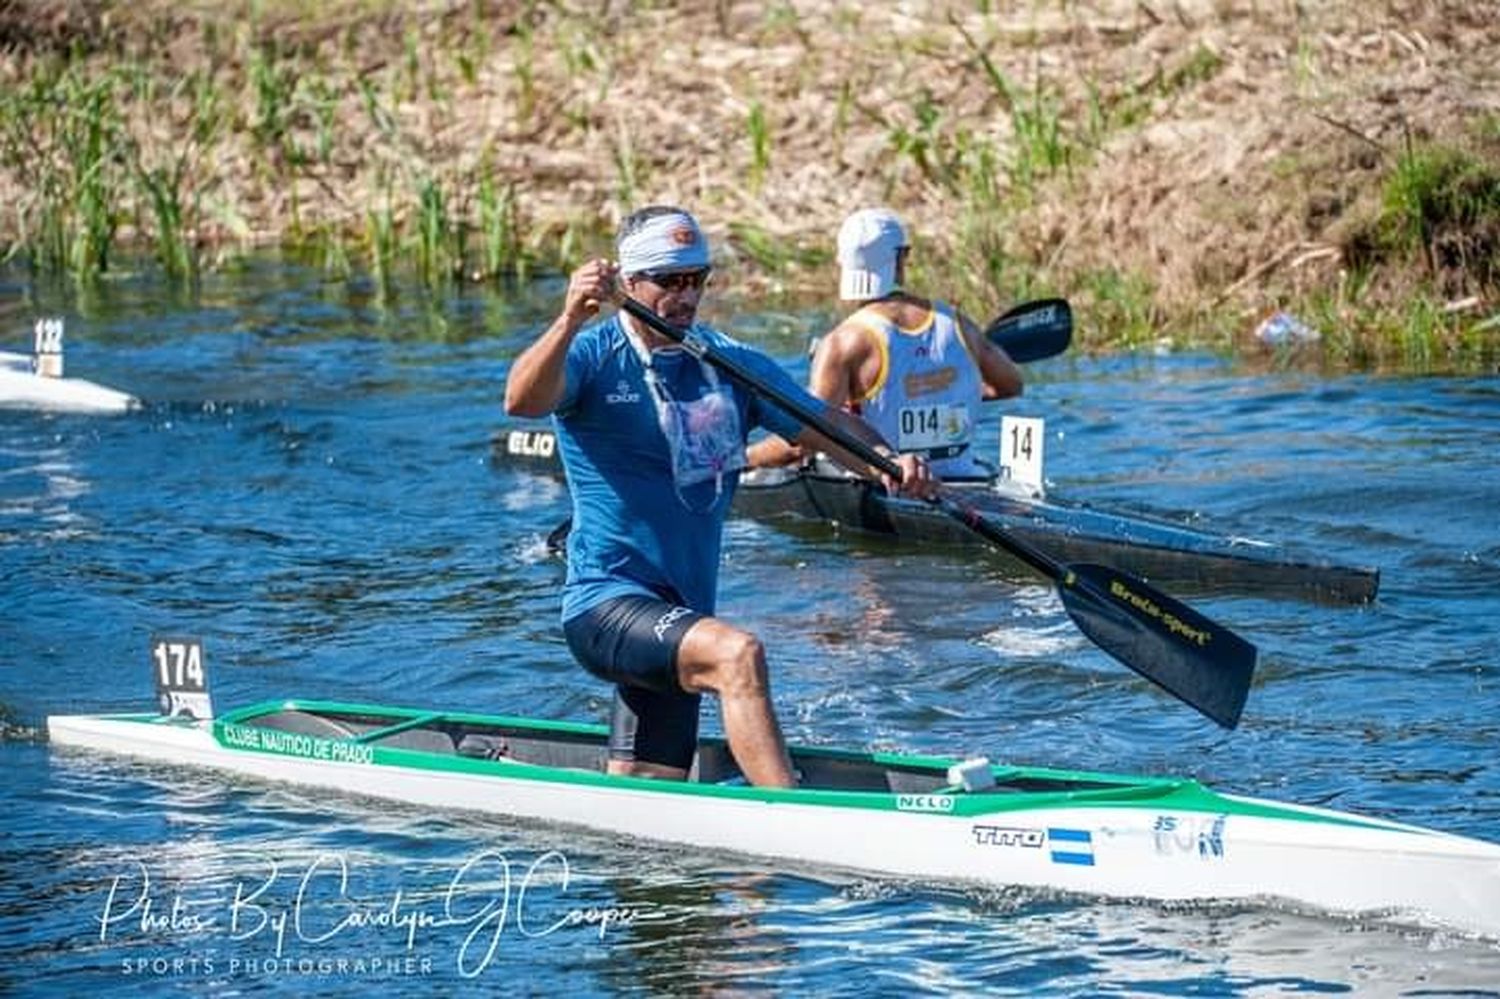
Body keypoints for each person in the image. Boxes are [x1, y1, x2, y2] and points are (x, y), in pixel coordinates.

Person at [504, 205, 936, 789]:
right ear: (630, 283)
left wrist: (891, 463)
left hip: (680, 613)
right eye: (668, 281)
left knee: (646, 797)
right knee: (737, 656)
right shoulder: (594, 356)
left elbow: (826, 427)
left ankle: (730, 879)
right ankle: (794, 825)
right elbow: (522, 401)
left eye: (697, 280)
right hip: (605, 604)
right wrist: (567, 321)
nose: (686, 297)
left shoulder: (730, 364)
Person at [746, 207, 1023, 479]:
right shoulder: (959, 324)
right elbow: (1011, 385)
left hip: (886, 491)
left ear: (842, 261)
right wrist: (945, 396)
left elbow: (804, 441)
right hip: (964, 480)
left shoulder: (843, 342)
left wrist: (744, 458)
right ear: (903, 258)